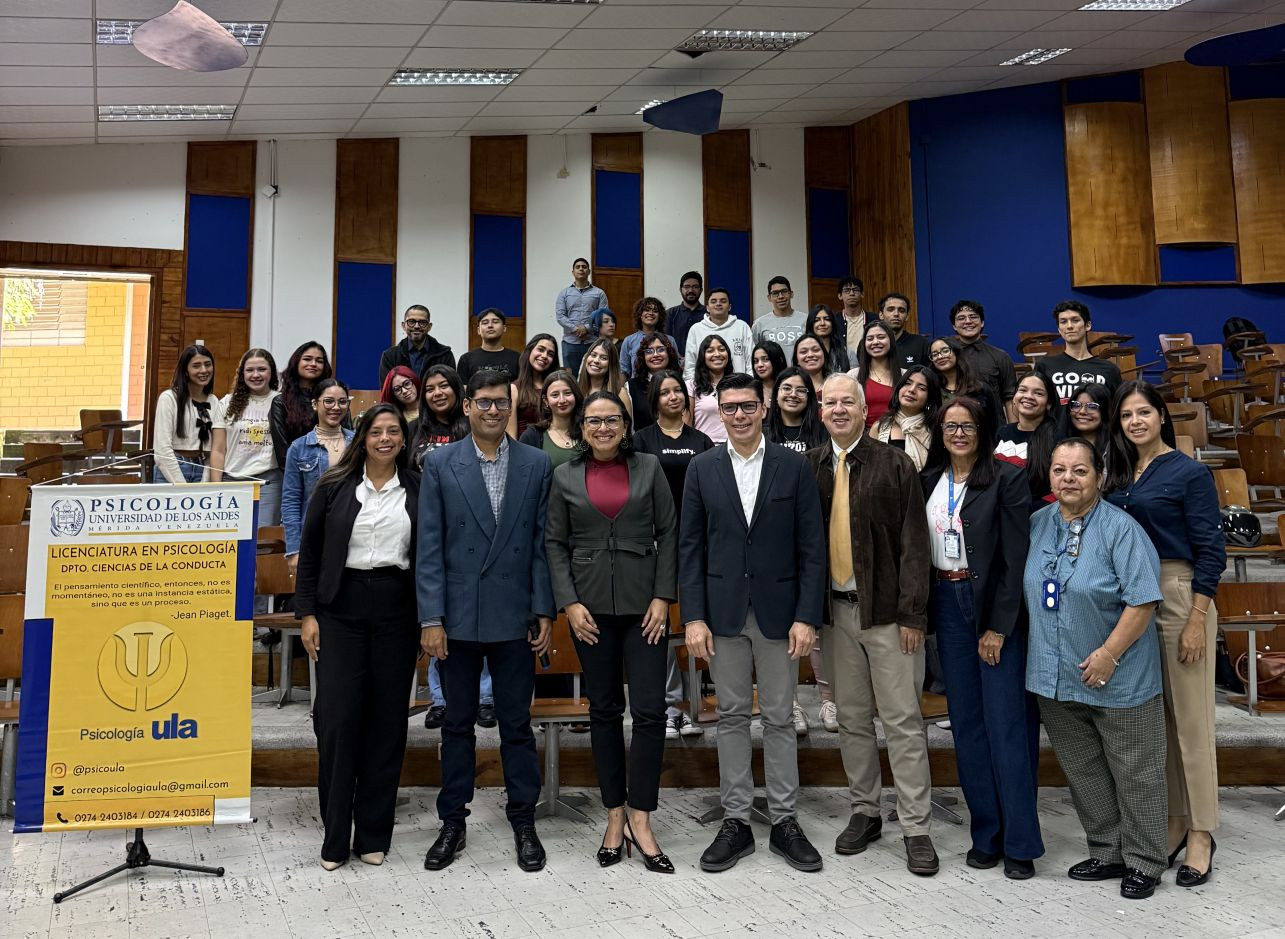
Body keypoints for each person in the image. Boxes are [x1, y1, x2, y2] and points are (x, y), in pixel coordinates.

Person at [680, 373, 826, 874]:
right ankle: (737, 821)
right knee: (733, 717)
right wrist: (693, 617)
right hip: (720, 615)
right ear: (719, 412)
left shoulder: (794, 465)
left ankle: (785, 821)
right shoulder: (702, 468)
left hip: (780, 616)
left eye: (747, 406)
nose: (739, 415)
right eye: (729, 408)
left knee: (782, 717)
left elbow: (812, 548)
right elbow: (690, 549)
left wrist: (808, 616)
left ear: (763, 408)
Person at [418, 370, 555, 874]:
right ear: (468, 406)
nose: (493, 410)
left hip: (514, 614)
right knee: (456, 724)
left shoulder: (537, 464)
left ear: (511, 406)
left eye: (501, 403)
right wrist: (430, 618)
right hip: (456, 616)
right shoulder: (439, 463)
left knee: (517, 726)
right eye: (484, 402)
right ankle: (452, 820)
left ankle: (523, 819)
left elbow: (542, 545)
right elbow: (429, 547)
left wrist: (543, 609)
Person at [806, 374, 938, 876]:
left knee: (903, 721)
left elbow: (915, 548)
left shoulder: (895, 464)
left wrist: (912, 614)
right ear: (821, 412)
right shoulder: (810, 468)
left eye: (848, 402)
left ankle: (916, 826)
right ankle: (865, 811)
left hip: (887, 616)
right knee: (854, 720)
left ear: (866, 410)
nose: (838, 409)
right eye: (830, 402)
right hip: (835, 616)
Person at [1025, 438, 1167, 900]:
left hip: (1118, 676)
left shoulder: (1122, 529)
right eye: (1060, 470)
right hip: (1055, 673)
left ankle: (1145, 860)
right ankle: (1108, 851)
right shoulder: (1037, 523)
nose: (1068, 478)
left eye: (1079, 471)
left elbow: (1143, 597)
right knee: (1083, 769)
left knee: (1136, 771)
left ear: (1099, 477)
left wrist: (1109, 653)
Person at [546, 391, 679, 873]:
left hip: (647, 609)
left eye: (611, 420)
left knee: (648, 711)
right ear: (582, 427)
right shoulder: (563, 475)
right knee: (604, 710)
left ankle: (642, 818)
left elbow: (670, 531)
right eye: (593, 420)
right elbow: (554, 544)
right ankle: (614, 813)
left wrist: (664, 598)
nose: (603, 428)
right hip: (590, 613)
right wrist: (570, 603)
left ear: (625, 426)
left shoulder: (649, 466)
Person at [1104, 380, 1225, 888]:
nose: (1135, 422)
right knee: (1159, 724)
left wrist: (1197, 617)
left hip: (1177, 594)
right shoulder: (1121, 474)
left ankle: (1202, 832)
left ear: (1161, 416)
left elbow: (1211, 550)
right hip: (1132, 600)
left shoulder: (1189, 472)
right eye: (1127, 415)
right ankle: (1174, 820)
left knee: (1192, 725)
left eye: (1143, 413)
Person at [920, 396, 1042, 879]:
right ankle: (986, 835)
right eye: (950, 425)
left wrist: (998, 626)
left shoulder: (1007, 479)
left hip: (992, 611)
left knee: (1007, 726)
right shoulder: (928, 480)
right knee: (968, 727)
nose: (958, 433)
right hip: (947, 608)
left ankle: (1020, 843)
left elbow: (1016, 562)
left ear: (984, 428)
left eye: (967, 425)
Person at [296, 404, 420, 871]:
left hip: (396, 610)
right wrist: (307, 614)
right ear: (362, 437)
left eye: (394, 431)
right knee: (338, 722)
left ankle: (373, 833)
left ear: (403, 440)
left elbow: (427, 557)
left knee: (387, 725)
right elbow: (310, 554)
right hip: (340, 611)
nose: (385, 438)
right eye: (376, 431)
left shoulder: (419, 488)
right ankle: (334, 838)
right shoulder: (333, 487)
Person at [634, 372, 714, 740]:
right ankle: (669, 707)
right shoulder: (640, 441)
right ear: (654, 400)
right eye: (664, 392)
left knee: (693, 624)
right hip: (654, 545)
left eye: (677, 391)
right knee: (660, 626)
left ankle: (693, 706)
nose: (672, 397)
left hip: (697, 544)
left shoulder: (702, 441)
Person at [282, 378, 354, 575]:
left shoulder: (358, 443)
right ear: (315, 404)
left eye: (342, 402)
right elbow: (290, 502)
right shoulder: (298, 448)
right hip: (314, 535)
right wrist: (294, 550)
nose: (336, 407)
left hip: (355, 535)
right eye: (329, 401)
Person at [210, 348, 282, 525]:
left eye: (262, 369)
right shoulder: (227, 402)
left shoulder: (281, 402)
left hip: (268, 483)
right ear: (242, 374)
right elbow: (218, 449)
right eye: (250, 370)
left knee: (262, 541)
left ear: (271, 372)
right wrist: (215, 487)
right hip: (230, 481)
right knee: (230, 541)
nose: (255, 375)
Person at [153, 344, 220, 483]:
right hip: (172, 469)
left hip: (201, 469)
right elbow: (162, 451)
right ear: (185, 371)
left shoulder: (213, 401)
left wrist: (204, 481)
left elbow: (213, 449)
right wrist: (182, 487)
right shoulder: (169, 398)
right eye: (196, 366)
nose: (204, 370)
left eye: (208, 364)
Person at [997, 372, 1063, 513]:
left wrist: (1025, 511)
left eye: (1038, 393)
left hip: (1037, 519)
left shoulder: (1058, 439)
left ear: (1049, 403)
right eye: (1022, 390)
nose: (1028, 396)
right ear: (1014, 397)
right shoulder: (1002, 433)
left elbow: (1061, 489)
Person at [1034, 300, 1122, 404]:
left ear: (1087, 325)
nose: (1069, 326)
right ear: (1059, 329)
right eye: (1063, 322)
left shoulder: (1109, 370)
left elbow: (1116, 410)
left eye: (1075, 320)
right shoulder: (1045, 366)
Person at [271, 341, 333, 470]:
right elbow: (282, 452)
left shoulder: (333, 399)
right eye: (307, 359)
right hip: (296, 473)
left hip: (332, 470)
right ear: (296, 362)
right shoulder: (280, 402)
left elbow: (346, 436)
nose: (313, 364)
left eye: (319, 361)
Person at [950, 300, 1017, 417]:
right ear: (954, 326)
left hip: (993, 427)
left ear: (982, 323)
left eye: (973, 317)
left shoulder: (1001, 356)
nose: (968, 321)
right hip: (958, 426)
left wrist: (1012, 433)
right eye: (961, 318)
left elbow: (1010, 399)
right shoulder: (947, 358)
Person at [929, 336, 1003, 440]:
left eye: (945, 351)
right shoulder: (931, 391)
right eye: (934, 354)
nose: (940, 356)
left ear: (956, 352)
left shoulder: (980, 389)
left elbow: (994, 425)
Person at [875, 366, 941, 472]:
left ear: (930, 398)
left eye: (921, 388)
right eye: (907, 383)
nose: (911, 390)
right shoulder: (880, 426)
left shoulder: (936, 431)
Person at [518, 369, 584, 470]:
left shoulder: (588, 430)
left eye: (567, 393)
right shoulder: (532, 435)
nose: (562, 400)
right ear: (546, 401)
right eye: (555, 395)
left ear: (576, 395)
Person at [683, 287, 753, 381]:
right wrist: (692, 389)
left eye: (723, 301)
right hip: (705, 389)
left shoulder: (742, 327)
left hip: (739, 387)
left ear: (730, 306)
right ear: (707, 307)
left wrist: (750, 385)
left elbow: (751, 360)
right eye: (713, 301)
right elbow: (690, 364)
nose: (718, 304)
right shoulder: (696, 329)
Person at [410, 365, 470, 471]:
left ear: (456, 389)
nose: (437, 393)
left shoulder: (473, 425)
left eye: (444, 386)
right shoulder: (413, 428)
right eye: (430, 389)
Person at [555, 257, 607, 377]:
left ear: (588, 271)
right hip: (570, 343)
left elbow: (602, 316)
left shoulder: (599, 293)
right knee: (570, 377)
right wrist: (575, 329)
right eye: (577, 267)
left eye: (584, 267)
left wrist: (587, 328)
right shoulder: (564, 293)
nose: (581, 269)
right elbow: (560, 316)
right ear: (573, 272)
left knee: (592, 375)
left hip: (592, 342)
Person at [378, 304, 455, 384]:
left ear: (429, 327)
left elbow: (450, 387)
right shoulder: (390, 357)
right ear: (403, 326)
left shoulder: (445, 355)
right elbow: (387, 391)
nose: (417, 326)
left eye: (422, 322)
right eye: (411, 322)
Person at [507, 333, 560, 439]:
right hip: (525, 450)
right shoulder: (514, 389)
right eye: (541, 349)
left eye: (550, 354)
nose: (544, 356)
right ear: (529, 351)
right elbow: (511, 435)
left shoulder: (557, 387)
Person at [851, 320, 901, 429]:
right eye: (870, 339)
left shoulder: (904, 375)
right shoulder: (853, 376)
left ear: (891, 341)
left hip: (898, 436)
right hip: (864, 438)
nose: (875, 342)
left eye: (881, 337)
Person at [765, 367, 827, 455]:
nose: (793, 394)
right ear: (776, 394)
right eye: (786, 388)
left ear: (809, 397)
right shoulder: (762, 434)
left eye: (801, 390)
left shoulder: (823, 433)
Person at [626, 334, 681, 431]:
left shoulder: (681, 383)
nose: (655, 355)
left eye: (661, 350)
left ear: (669, 353)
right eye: (649, 351)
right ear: (643, 357)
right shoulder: (631, 387)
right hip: (641, 444)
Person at [687, 334, 732, 443]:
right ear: (703, 356)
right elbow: (687, 424)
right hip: (704, 448)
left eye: (722, 349)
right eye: (710, 351)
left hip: (734, 446)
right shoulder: (691, 385)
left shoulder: (737, 384)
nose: (717, 354)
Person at [456, 308, 520, 384]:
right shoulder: (466, 359)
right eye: (485, 323)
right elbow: (462, 389)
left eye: (495, 322)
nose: (490, 325)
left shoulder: (518, 358)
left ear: (504, 328)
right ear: (478, 330)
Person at [751, 276, 808, 361]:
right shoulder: (759, 324)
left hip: (801, 373)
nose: (780, 296)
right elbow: (755, 355)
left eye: (784, 291)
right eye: (775, 293)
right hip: (774, 373)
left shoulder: (806, 319)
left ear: (791, 294)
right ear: (769, 298)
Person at [619, 297, 676, 379]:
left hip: (664, 386)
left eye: (655, 311)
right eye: (647, 310)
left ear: (660, 316)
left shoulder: (670, 340)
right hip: (637, 388)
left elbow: (675, 367)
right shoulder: (629, 341)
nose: (651, 313)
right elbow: (624, 370)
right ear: (640, 315)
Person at [578, 337, 632, 419]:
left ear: (611, 365)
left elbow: (627, 429)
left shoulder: (620, 393)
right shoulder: (576, 391)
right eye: (593, 355)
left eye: (603, 358)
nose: (596, 360)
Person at [878, 293, 932, 368]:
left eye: (901, 310)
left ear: (907, 316)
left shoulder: (921, 344)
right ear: (881, 315)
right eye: (890, 309)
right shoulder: (871, 344)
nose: (896, 314)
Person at [1063, 382, 1112, 457]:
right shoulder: (1059, 446)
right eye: (1076, 405)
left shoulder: (1116, 448)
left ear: (1104, 412)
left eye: (1092, 406)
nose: (1082, 411)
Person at [834, 276, 876, 362]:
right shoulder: (834, 320)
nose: (852, 293)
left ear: (862, 294)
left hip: (869, 364)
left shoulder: (874, 319)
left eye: (855, 290)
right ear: (840, 296)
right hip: (843, 367)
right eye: (847, 290)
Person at [666, 270, 705, 357]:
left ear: (701, 290)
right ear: (680, 290)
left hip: (703, 365)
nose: (691, 290)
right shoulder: (670, 314)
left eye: (695, 287)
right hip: (676, 366)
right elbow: (665, 341)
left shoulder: (708, 314)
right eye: (687, 287)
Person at [806, 304, 851, 374]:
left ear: (833, 323)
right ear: (811, 324)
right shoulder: (804, 354)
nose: (822, 323)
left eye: (827, 319)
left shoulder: (848, 353)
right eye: (817, 320)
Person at [751, 340, 787, 407]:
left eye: (766, 359)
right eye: (755, 361)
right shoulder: (751, 390)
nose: (760, 365)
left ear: (778, 360)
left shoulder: (788, 387)